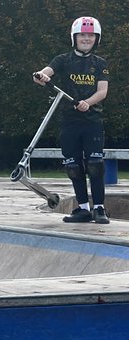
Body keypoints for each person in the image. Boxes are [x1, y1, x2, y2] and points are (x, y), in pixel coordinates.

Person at [34, 16, 111, 224]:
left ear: (96, 39)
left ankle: (99, 208)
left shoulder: (100, 63)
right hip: (69, 121)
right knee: (74, 166)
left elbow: (102, 91)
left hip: (92, 121)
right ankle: (83, 209)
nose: (86, 39)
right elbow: (43, 74)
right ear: (74, 37)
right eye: (82, 35)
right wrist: (41, 76)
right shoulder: (63, 60)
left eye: (90, 36)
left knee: (95, 165)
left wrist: (87, 102)